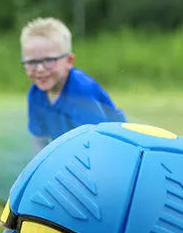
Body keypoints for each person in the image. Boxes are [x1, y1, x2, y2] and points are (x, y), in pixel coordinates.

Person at [20, 17, 126, 153]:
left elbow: (98, 143)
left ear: (69, 61)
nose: (40, 69)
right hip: (80, 151)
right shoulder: (35, 95)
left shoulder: (81, 90)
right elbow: (39, 140)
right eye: (31, 62)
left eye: (49, 60)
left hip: (117, 148)